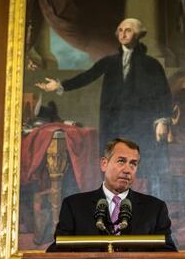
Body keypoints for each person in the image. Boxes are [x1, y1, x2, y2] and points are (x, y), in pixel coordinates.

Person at [37, 18, 173, 198]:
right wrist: (60, 85)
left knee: (143, 167)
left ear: (139, 35)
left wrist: (162, 120)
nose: (123, 34)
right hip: (114, 123)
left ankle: (146, 209)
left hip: (140, 124)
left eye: (128, 30)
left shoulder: (151, 64)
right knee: (114, 166)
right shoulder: (110, 61)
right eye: (121, 30)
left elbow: (163, 93)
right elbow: (88, 76)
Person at [46, 138, 177, 251]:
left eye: (133, 164)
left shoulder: (155, 209)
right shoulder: (74, 206)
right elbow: (58, 252)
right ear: (104, 164)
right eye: (121, 161)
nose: (127, 170)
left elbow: (169, 256)